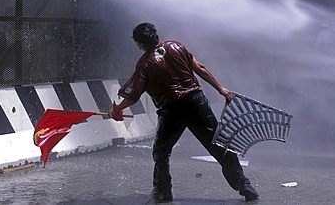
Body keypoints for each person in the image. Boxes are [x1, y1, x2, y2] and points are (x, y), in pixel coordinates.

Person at [108, 22, 259, 203]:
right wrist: (220, 88)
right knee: (219, 145)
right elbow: (200, 68)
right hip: (196, 102)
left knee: (161, 152)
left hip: (172, 110)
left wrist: (117, 109)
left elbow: (133, 96)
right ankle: (244, 185)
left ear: (140, 44)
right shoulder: (176, 46)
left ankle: (163, 192)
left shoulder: (144, 64)